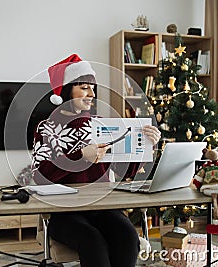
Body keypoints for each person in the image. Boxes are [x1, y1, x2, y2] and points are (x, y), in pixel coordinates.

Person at [31, 54, 161, 267]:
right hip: (64, 213)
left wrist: (147, 146)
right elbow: (40, 177)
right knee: (93, 241)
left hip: (104, 206)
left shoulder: (101, 124)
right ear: (66, 90)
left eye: (92, 87)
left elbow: (124, 171)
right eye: (84, 87)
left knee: (128, 237)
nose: (92, 94)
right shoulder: (46, 127)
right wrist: (80, 156)